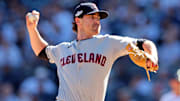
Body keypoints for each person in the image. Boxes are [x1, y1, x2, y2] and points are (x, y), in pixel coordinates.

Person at [25, 2, 158, 101]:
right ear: (78, 20)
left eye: (98, 18)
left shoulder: (108, 42)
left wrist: (152, 57)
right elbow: (42, 51)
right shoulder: (63, 49)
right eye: (92, 17)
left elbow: (145, 43)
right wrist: (32, 29)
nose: (97, 21)